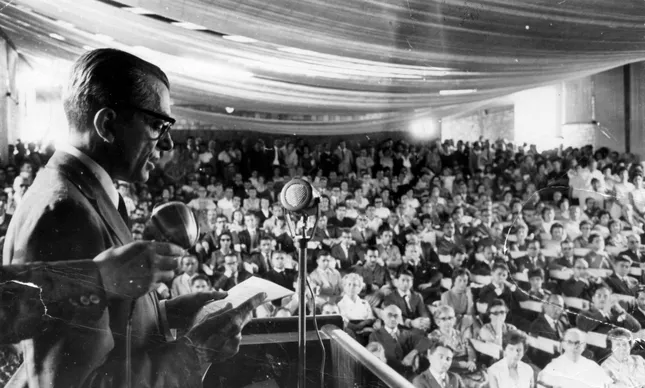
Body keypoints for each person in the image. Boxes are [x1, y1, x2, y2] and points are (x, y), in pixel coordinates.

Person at [2, 48, 266, 388]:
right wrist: (196, 352)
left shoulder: (80, 191)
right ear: (108, 125)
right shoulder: (69, 213)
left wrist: (162, 312)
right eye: (157, 124)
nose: (168, 142)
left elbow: (86, 325)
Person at [538, 329, 613, 388]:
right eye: (570, 342)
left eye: (578, 343)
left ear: (583, 346)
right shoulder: (552, 367)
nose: (574, 347)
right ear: (563, 344)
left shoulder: (592, 366)